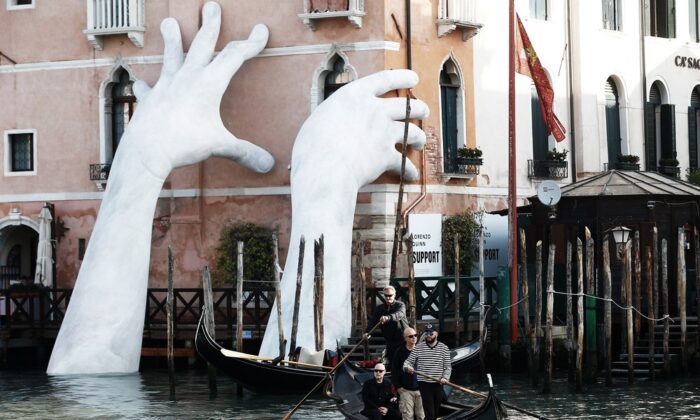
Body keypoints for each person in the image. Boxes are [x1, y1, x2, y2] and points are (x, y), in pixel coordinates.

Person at [402, 324, 451, 420]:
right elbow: (408, 362)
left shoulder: (444, 348)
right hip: (424, 384)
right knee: (430, 414)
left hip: (438, 384)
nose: (428, 335)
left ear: (436, 334)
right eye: (426, 333)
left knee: (436, 412)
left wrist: (445, 377)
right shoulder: (418, 348)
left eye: (431, 333)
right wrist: (407, 367)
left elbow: (448, 367)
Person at [365, 285, 409, 367]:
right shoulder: (379, 309)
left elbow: (399, 314)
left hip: (403, 340)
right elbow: (373, 321)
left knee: (404, 363)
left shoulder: (400, 305)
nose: (388, 298)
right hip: (390, 341)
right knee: (392, 363)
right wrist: (367, 332)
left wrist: (388, 317)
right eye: (386, 296)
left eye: (390, 295)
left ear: (394, 295)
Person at [391, 327, 424, 420]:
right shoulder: (400, 352)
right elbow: (394, 370)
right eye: (411, 336)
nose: (414, 338)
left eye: (415, 335)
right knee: (407, 416)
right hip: (406, 390)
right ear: (405, 338)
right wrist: (398, 387)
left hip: (421, 389)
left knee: (421, 416)